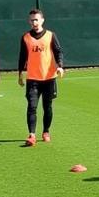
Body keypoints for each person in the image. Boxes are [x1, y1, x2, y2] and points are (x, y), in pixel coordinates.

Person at [17, 8, 63, 146]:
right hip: (33, 79)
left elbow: (58, 51)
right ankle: (31, 135)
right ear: (29, 21)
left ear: (42, 20)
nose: (34, 22)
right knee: (32, 106)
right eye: (32, 20)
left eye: (36, 19)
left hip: (49, 78)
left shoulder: (50, 35)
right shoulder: (25, 37)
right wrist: (20, 74)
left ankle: (46, 131)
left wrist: (60, 66)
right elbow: (22, 57)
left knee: (47, 107)